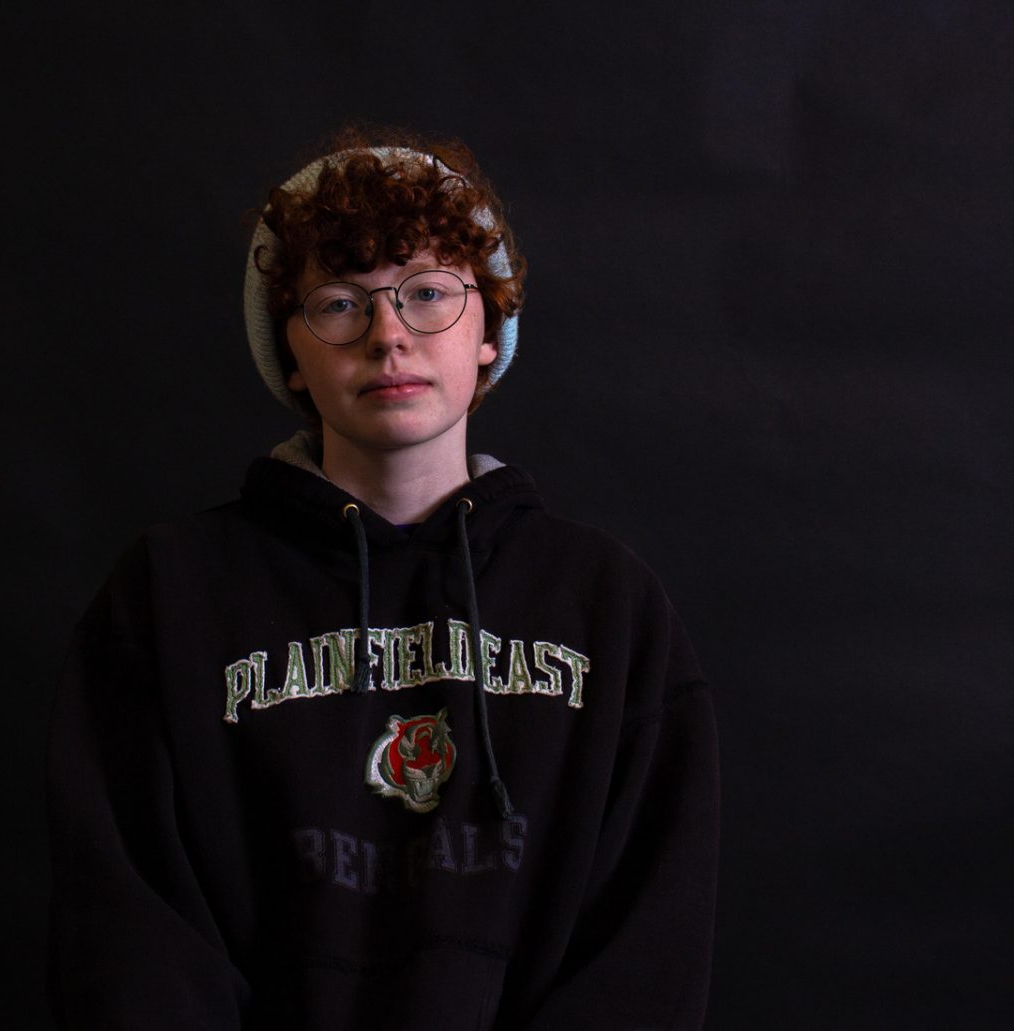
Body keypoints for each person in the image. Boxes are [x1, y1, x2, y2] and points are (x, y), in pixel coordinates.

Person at [47, 129, 719, 1030]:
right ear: (290, 354)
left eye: (429, 294)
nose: (388, 335)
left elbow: (647, 947)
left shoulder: (608, 605)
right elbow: (129, 931)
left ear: (490, 329)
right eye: (339, 303)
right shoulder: (169, 597)